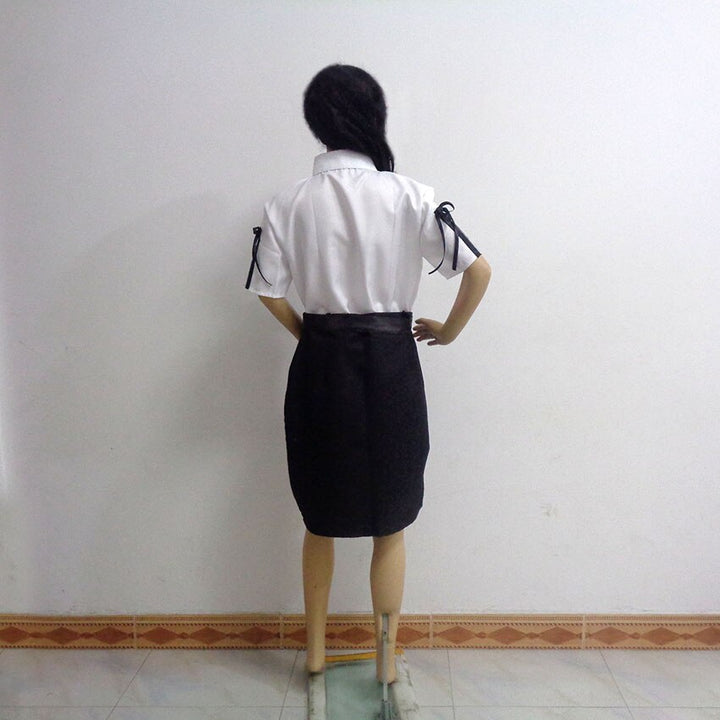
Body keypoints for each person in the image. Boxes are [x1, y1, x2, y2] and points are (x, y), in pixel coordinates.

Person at [246, 64, 491, 683]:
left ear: (317, 122)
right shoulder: (411, 195)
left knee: (318, 519)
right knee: (392, 521)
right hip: (392, 366)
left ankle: (316, 653)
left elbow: (267, 291)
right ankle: (384, 663)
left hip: (319, 369)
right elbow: (479, 271)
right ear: (374, 116)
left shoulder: (287, 202)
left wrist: (310, 336)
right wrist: (447, 331)